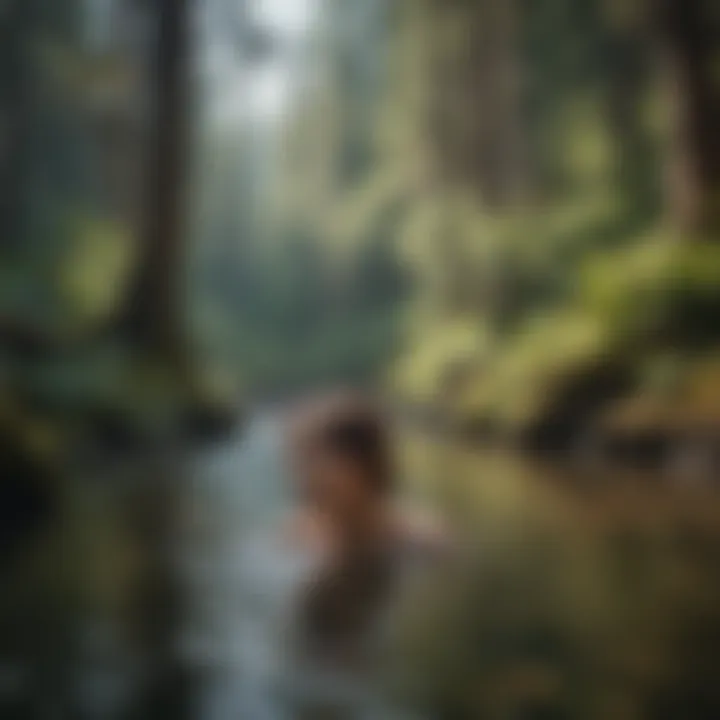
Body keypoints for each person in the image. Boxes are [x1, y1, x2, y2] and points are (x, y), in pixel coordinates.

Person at [278, 390, 449, 718]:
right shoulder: (295, 536)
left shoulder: (422, 540)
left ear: (364, 465)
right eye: (297, 461)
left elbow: (432, 619)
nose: (300, 477)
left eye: (312, 460)